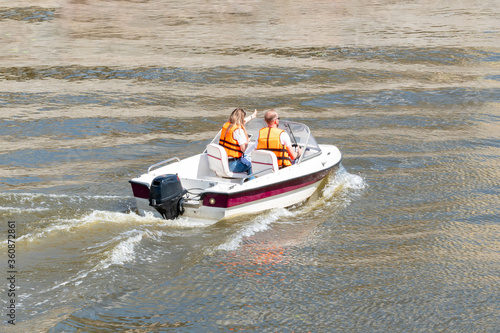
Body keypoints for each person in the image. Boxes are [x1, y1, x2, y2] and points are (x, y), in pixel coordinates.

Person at [219, 108, 257, 174]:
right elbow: (243, 149)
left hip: (222, 163)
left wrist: (252, 116)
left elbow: (242, 121)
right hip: (232, 165)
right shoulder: (238, 131)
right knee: (253, 165)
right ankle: (250, 182)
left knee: (246, 158)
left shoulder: (226, 125)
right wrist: (247, 141)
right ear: (241, 118)